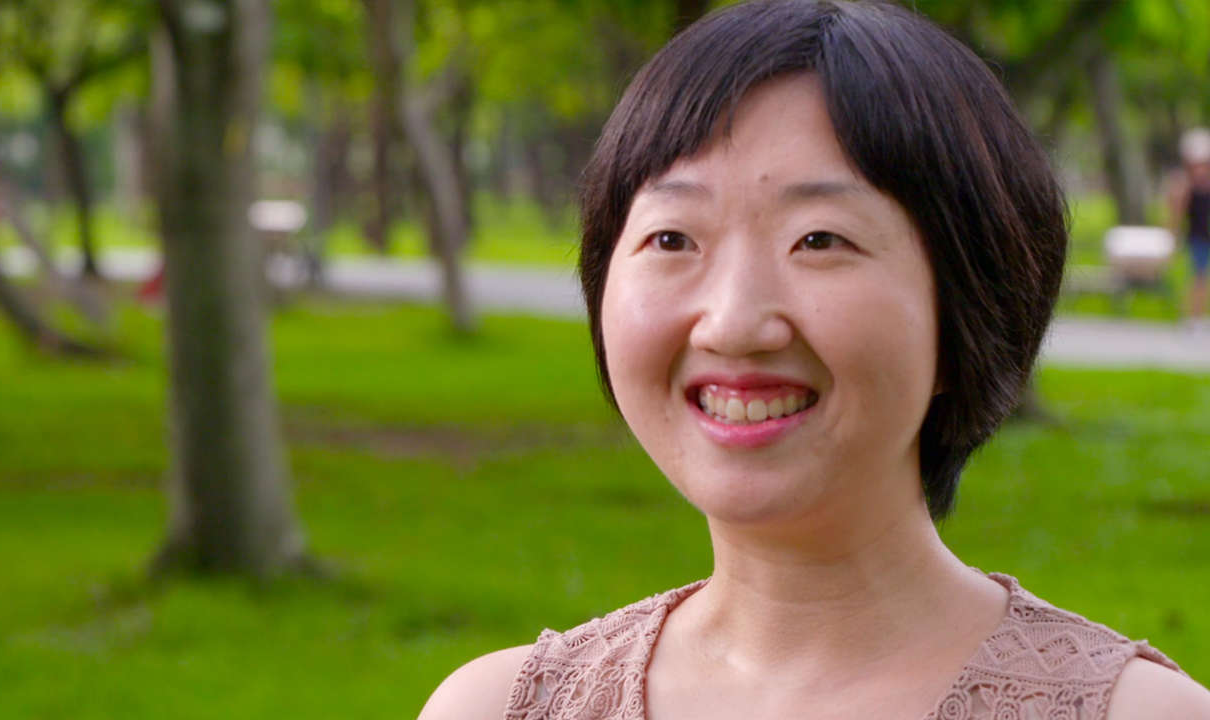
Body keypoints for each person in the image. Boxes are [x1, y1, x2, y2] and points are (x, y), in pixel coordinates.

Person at [419, 2, 1210, 718]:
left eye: (820, 240)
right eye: (673, 238)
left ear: (969, 308)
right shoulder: (501, 709)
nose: (733, 323)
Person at [1168, 127, 1210, 328]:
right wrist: (1173, 235)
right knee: (1198, 277)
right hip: (1198, 237)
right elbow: (1177, 213)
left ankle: (1197, 316)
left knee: (1200, 278)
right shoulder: (1185, 185)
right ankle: (1193, 317)